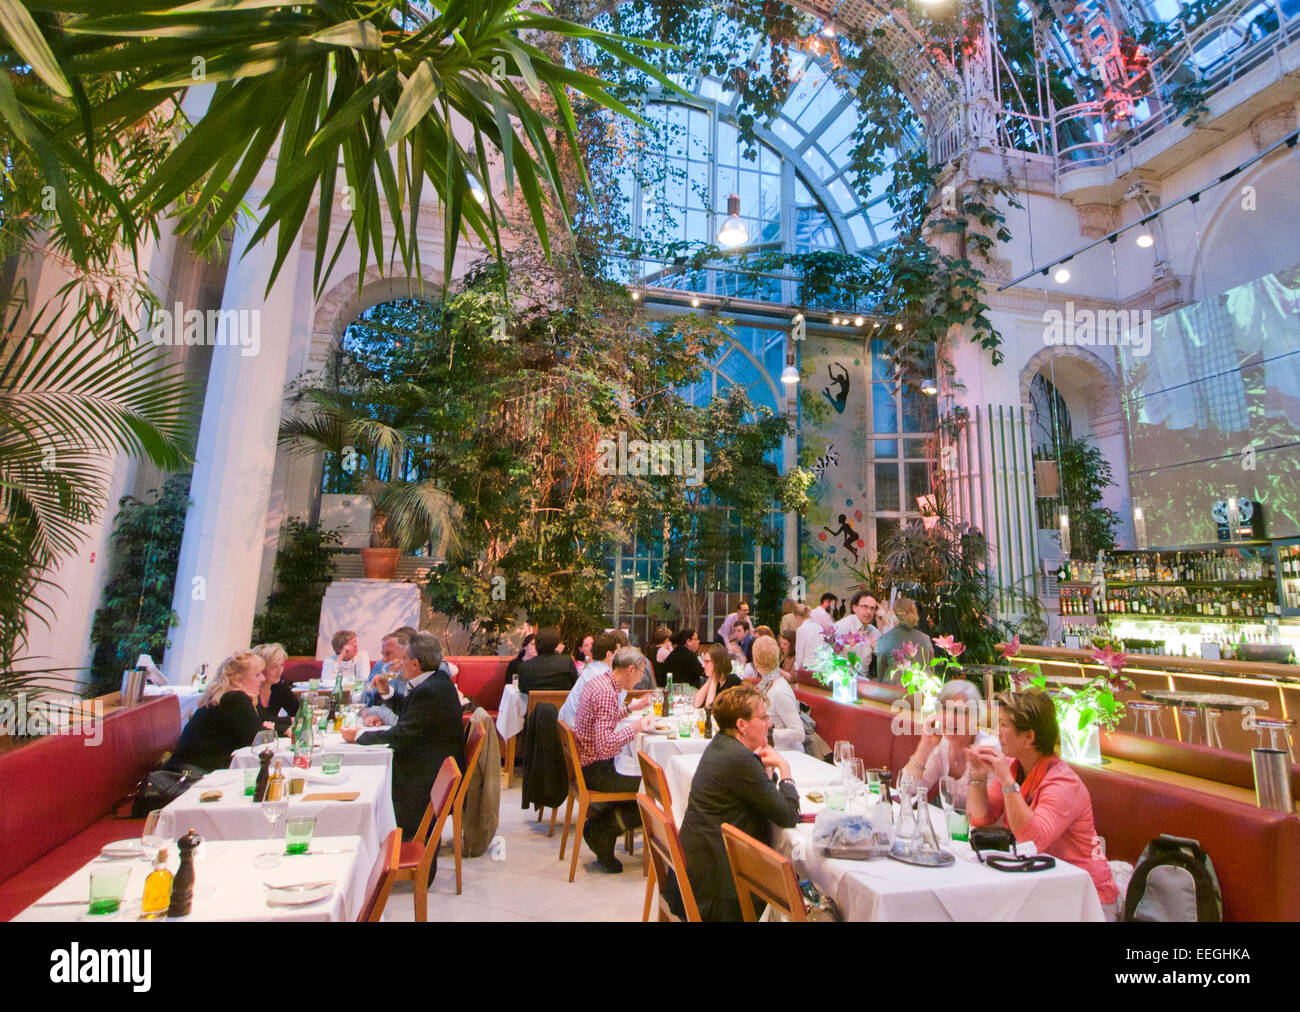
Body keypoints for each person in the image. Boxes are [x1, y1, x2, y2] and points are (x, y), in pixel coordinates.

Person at [967, 688, 1121, 918]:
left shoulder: (1063, 783)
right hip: (1040, 886)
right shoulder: (1014, 767)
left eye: (1004, 725)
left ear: (1028, 737)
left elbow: (1032, 840)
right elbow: (981, 818)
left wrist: (1007, 780)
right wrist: (978, 776)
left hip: (1086, 899)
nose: (997, 732)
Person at [673, 686, 800, 921]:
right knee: (797, 887)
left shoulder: (722, 744)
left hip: (697, 870)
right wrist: (785, 770)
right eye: (762, 718)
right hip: (719, 888)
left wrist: (765, 771)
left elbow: (756, 792)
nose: (769, 724)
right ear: (742, 725)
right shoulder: (739, 759)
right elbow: (787, 815)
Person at [342, 632, 466, 842]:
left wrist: (360, 736)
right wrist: (387, 692)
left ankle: (378, 844)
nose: (401, 664)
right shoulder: (435, 681)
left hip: (426, 773)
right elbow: (412, 713)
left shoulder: (430, 690)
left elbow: (402, 734)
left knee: (372, 782)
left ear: (416, 663)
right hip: (431, 761)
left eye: (405, 659)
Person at [572, 646, 657, 872]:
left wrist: (632, 708)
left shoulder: (601, 682)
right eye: (640, 673)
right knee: (655, 790)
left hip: (588, 764)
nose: (640, 679)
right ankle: (605, 830)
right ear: (630, 669)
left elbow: (605, 720)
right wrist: (636, 728)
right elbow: (605, 745)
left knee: (646, 783)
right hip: (597, 769)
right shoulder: (608, 693)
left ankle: (600, 827)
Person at [167, 651, 269, 772]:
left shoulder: (225, 696)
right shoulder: (235, 698)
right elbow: (258, 740)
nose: (263, 678)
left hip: (189, 767)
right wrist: (269, 731)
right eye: (257, 675)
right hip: (190, 774)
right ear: (238, 678)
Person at [900, 680, 997, 807]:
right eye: (945, 709)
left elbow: (987, 813)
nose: (951, 718)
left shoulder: (988, 749)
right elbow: (907, 791)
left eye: (960, 712)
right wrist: (925, 746)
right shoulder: (941, 744)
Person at [560, 632, 653, 727]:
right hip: (579, 732)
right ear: (609, 655)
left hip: (570, 724)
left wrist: (632, 708)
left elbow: (608, 715)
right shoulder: (605, 679)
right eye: (617, 653)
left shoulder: (590, 669)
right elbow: (607, 727)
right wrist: (636, 727)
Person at [751, 636, 804, 750]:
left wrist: (765, 733)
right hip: (767, 750)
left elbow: (799, 733)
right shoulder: (765, 685)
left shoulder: (779, 691)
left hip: (786, 755)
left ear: (755, 661)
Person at [874, 596, 933, 684]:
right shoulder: (925, 638)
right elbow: (930, 667)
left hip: (894, 690)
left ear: (893, 614)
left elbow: (880, 672)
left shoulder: (886, 639)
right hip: (920, 689)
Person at [251, 642, 298, 735]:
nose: (280, 670)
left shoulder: (278, 687)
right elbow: (260, 722)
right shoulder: (250, 690)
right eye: (274, 667)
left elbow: (299, 712)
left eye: (281, 665)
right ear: (260, 668)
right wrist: (289, 720)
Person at [517, 627, 577, 694]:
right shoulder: (567, 663)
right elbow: (575, 685)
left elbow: (522, 689)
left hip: (535, 704)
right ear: (556, 644)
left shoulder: (525, 667)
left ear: (537, 644)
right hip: (561, 704)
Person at [694, 642, 743, 710]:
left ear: (718, 663)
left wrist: (714, 680)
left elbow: (710, 709)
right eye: (703, 661)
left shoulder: (733, 681)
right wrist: (711, 679)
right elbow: (696, 704)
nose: (703, 665)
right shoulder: (712, 681)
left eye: (707, 662)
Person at [792, 603, 825, 673]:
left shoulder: (801, 630)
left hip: (808, 668)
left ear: (797, 617)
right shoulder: (819, 627)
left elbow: (800, 651)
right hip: (821, 667)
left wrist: (796, 668)